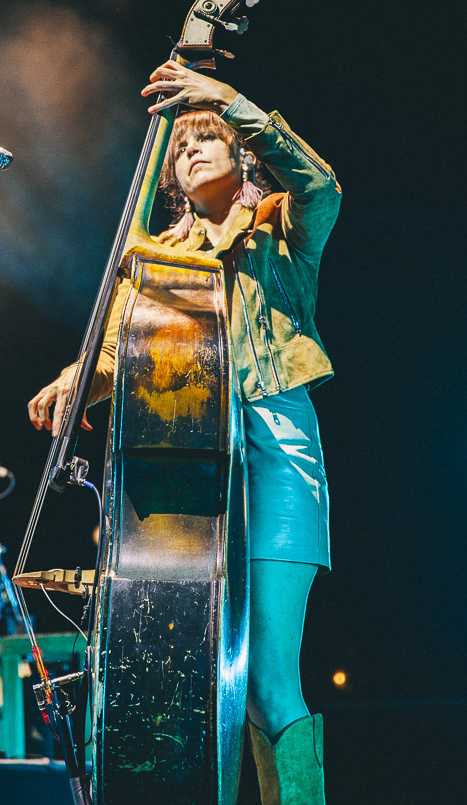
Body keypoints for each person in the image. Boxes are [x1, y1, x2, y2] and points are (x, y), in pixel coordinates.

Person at [27, 61, 341, 804]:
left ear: (241, 158)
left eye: (208, 138)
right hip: (179, 470)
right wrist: (79, 376)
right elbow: (119, 355)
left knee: (266, 679)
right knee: (189, 692)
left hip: (273, 447)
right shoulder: (151, 260)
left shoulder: (282, 229)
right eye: (181, 144)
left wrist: (230, 101)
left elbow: (323, 183)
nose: (190, 148)